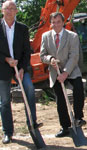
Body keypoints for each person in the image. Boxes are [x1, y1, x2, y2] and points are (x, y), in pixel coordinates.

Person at [0, 0, 42, 144]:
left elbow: (26, 51)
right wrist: (6, 59)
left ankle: (32, 123)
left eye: (13, 8)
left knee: (29, 89)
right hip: (3, 68)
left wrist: (23, 68)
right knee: (5, 101)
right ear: (2, 11)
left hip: (20, 67)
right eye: (7, 8)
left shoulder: (22, 29)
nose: (10, 11)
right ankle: (8, 132)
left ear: (17, 11)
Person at [40, 12, 86, 138]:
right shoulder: (46, 36)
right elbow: (42, 55)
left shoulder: (72, 36)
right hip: (55, 72)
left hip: (71, 70)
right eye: (53, 22)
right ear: (50, 23)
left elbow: (74, 56)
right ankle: (65, 126)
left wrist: (65, 73)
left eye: (58, 22)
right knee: (60, 99)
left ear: (63, 22)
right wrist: (50, 59)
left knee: (78, 89)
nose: (56, 25)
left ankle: (78, 117)